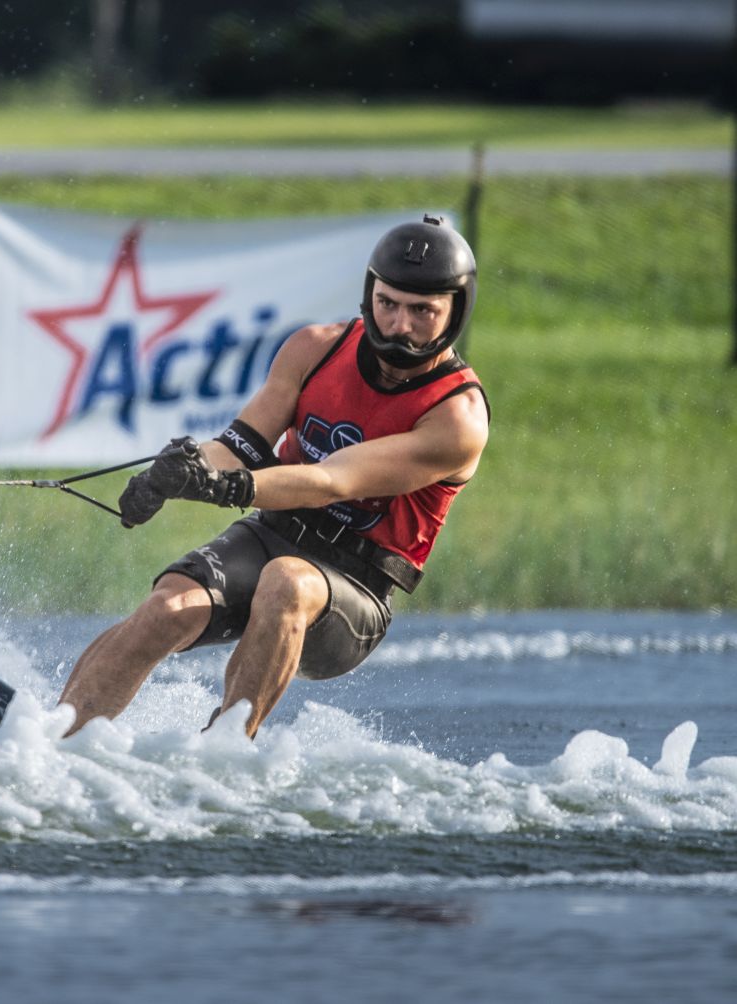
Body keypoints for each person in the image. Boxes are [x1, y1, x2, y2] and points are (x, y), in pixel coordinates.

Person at [57, 215, 491, 739]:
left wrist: (230, 488)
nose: (399, 325)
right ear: (369, 294)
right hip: (272, 535)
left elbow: (334, 480)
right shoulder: (314, 348)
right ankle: (53, 733)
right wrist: (180, 470)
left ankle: (224, 752)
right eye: (388, 304)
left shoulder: (457, 418)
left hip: (353, 586)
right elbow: (240, 446)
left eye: (422, 311)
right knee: (167, 607)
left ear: (455, 312)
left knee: (286, 581)